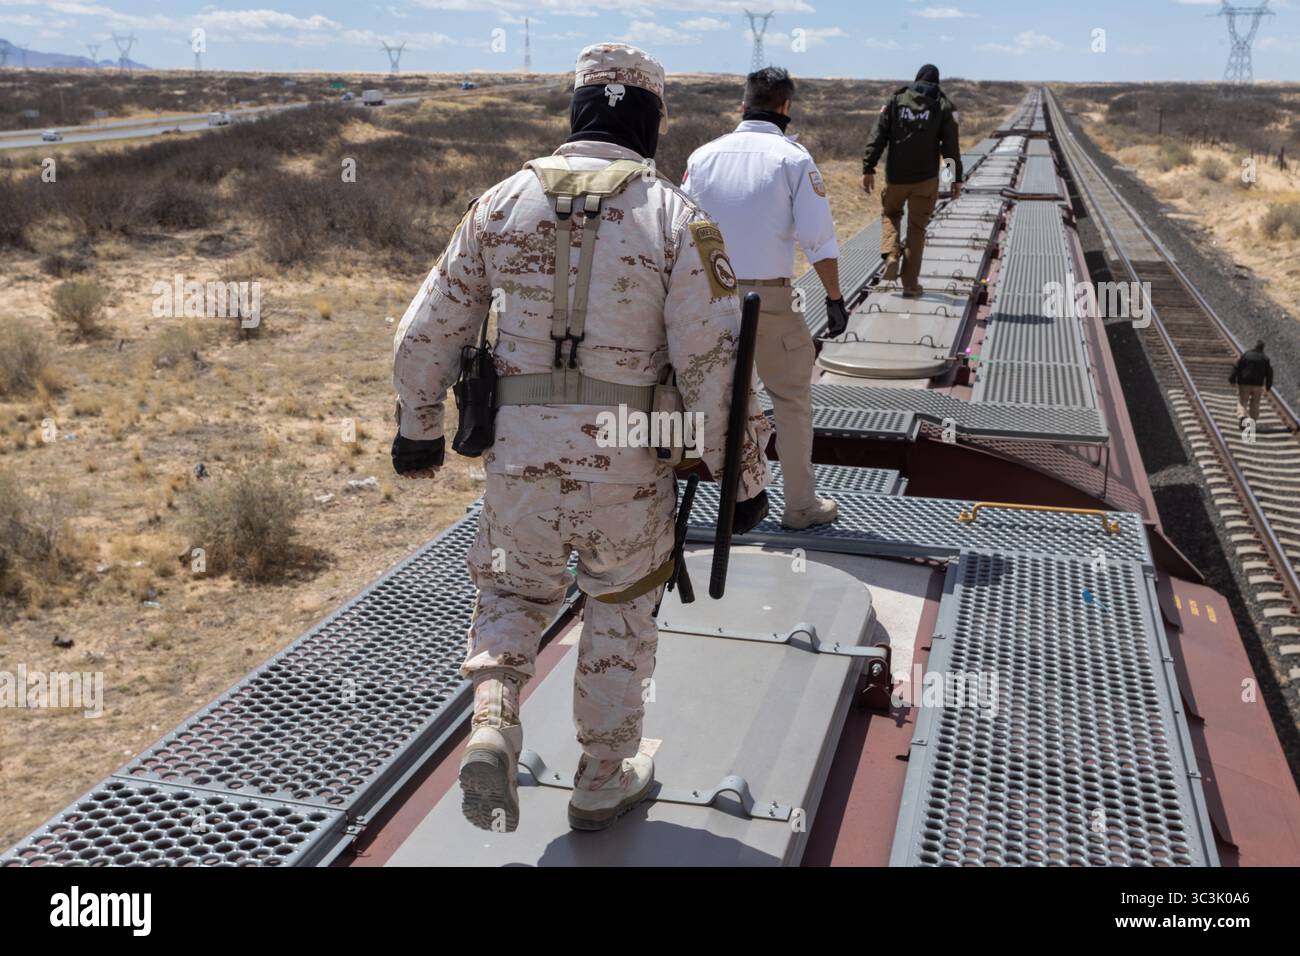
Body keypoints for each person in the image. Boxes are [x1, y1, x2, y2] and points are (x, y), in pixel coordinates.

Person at [391, 42, 771, 834]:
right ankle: (602, 777)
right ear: (649, 121)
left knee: (510, 590)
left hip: (520, 458)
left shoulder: (499, 205)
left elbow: (426, 330)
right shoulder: (675, 218)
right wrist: (745, 480)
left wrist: (418, 428)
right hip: (631, 465)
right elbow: (718, 364)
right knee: (620, 610)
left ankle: (493, 722)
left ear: (577, 112)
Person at [682, 66, 843, 531]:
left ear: (743, 104)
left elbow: (682, 230)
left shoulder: (703, 156)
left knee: (720, 401)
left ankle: (733, 501)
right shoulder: (793, 159)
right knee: (790, 400)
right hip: (769, 300)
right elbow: (819, 240)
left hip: (709, 296)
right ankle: (800, 507)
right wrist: (834, 298)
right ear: (786, 107)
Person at [861, 64, 963, 298]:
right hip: (926, 180)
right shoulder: (943, 106)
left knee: (890, 214)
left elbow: (878, 135)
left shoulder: (896, 100)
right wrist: (955, 179)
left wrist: (868, 167)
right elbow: (950, 147)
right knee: (917, 229)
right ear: (936, 83)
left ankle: (891, 255)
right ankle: (910, 285)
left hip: (896, 177)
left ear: (917, 79)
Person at [1230, 339, 1274, 425]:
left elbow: (1237, 367)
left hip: (1244, 383)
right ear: (1263, 348)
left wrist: (1232, 379)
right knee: (1255, 402)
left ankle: (1242, 416)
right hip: (1258, 385)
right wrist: (1268, 386)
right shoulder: (1265, 359)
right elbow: (1269, 373)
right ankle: (1252, 420)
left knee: (1243, 401)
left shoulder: (1246, 355)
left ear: (1254, 346)